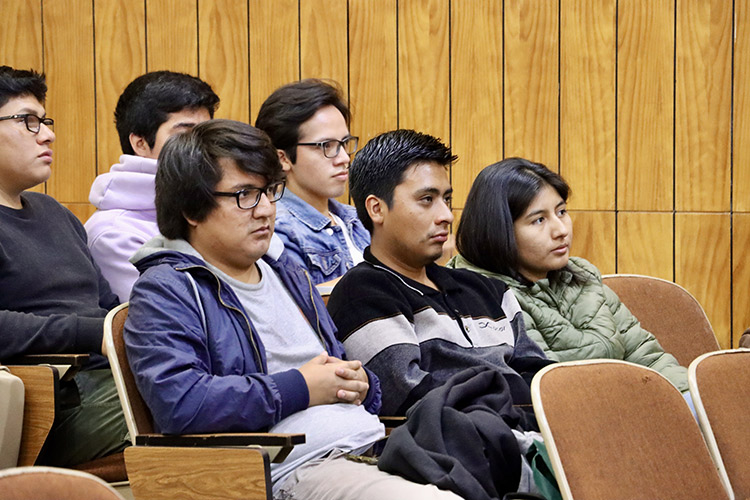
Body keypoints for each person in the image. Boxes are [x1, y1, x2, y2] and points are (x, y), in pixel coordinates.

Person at [123, 119, 462, 500]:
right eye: (245, 195)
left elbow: (336, 370)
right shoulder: (168, 287)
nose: (267, 210)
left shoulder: (286, 272)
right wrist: (300, 387)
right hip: (290, 469)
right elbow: (180, 404)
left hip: (376, 446)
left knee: (514, 468)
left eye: (269, 192)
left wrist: (362, 384)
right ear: (191, 209)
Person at [326, 130, 552, 496]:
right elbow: (409, 392)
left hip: (536, 435)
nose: (446, 215)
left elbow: (541, 377)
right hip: (462, 454)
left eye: (447, 199)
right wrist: (514, 403)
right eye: (426, 200)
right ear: (376, 208)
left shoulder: (487, 288)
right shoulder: (363, 292)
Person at [446, 157, 689, 393]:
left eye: (561, 212)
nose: (561, 230)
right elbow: (552, 387)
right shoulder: (481, 295)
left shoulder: (582, 277)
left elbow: (648, 357)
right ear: (498, 230)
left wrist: (694, 401)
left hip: (630, 411)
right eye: (539, 220)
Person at [0, 65, 128, 466]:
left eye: (45, 120)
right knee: (198, 404)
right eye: (28, 121)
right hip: (56, 399)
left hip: (109, 377)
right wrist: (92, 333)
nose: (49, 134)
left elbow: (104, 302)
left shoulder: (55, 212)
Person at [84, 71, 220, 301]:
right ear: (140, 143)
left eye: (206, 134)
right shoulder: (113, 234)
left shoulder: (216, 199)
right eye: (185, 135)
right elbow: (169, 313)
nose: (201, 148)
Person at [255, 79, 369, 285]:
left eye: (344, 143)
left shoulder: (357, 218)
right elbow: (302, 306)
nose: (344, 158)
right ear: (283, 158)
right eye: (327, 145)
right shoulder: (275, 229)